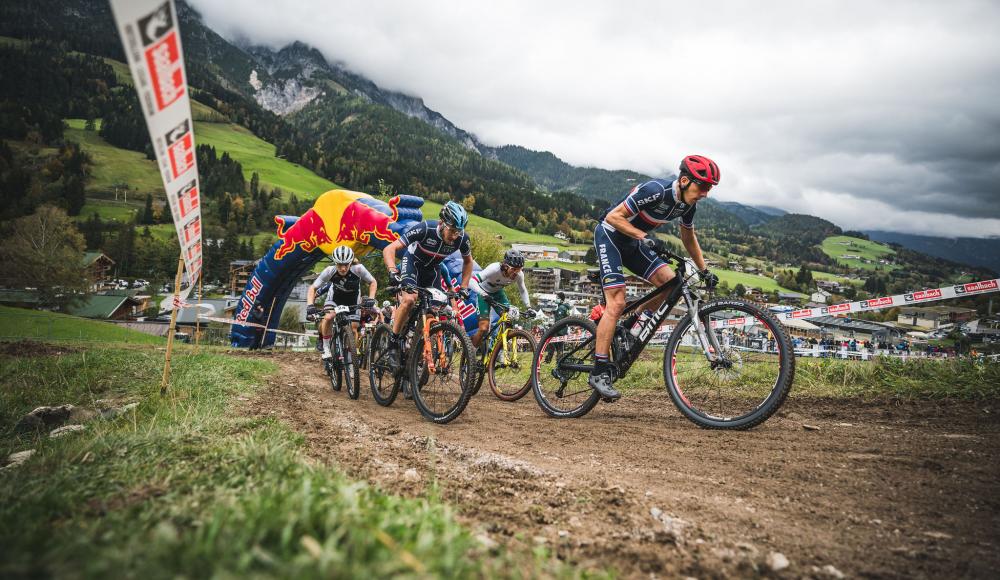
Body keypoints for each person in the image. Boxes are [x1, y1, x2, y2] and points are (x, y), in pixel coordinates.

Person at [589, 154, 721, 400]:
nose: (705, 193)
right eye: (702, 186)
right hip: (610, 236)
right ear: (684, 180)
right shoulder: (656, 190)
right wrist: (642, 237)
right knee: (616, 303)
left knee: (670, 284)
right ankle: (599, 370)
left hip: (634, 241)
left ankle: (629, 328)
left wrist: (704, 270)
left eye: (709, 188)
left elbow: (688, 238)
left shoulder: (688, 205)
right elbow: (613, 217)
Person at [381, 201, 473, 371]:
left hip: (432, 270)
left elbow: (468, 262)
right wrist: (393, 272)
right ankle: (393, 342)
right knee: (410, 299)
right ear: (442, 223)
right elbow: (390, 248)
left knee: (433, 311)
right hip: (413, 264)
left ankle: (415, 352)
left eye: (458, 231)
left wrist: (464, 287)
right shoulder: (425, 229)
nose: (455, 235)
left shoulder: (462, 239)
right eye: (452, 230)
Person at [307, 245, 377, 359]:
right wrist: (310, 305)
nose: (343, 268)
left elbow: (373, 282)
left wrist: (371, 298)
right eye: (339, 265)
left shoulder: (359, 269)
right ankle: (326, 347)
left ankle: (350, 358)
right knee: (329, 317)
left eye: (346, 265)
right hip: (335, 298)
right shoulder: (330, 271)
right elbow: (312, 288)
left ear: (351, 263)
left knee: (354, 327)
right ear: (335, 263)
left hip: (353, 299)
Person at [469, 249, 536, 349]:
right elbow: (471, 281)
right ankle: (471, 352)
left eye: (519, 269)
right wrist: (483, 294)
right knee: (484, 328)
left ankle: (498, 350)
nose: (516, 272)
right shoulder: (494, 269)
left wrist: (529, 307)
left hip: (498, 294)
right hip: (483, 293)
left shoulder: (519, 274)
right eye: (513, 269)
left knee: (509, 320)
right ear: (505, 266)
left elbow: (522, 290)